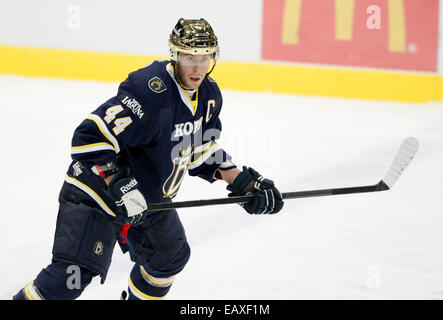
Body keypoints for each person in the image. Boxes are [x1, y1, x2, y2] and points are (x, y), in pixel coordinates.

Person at [13, 18, 284, 300]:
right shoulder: (149, 92)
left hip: (148, 200)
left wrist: (241, 181)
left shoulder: (209, 96)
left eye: (205, 58)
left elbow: (198, 147)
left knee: (169, 258)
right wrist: (119, 183)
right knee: (70, 277)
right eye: (189, 57)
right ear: (175, 55)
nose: (197, 67)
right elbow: (91, 136)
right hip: (97, 192)